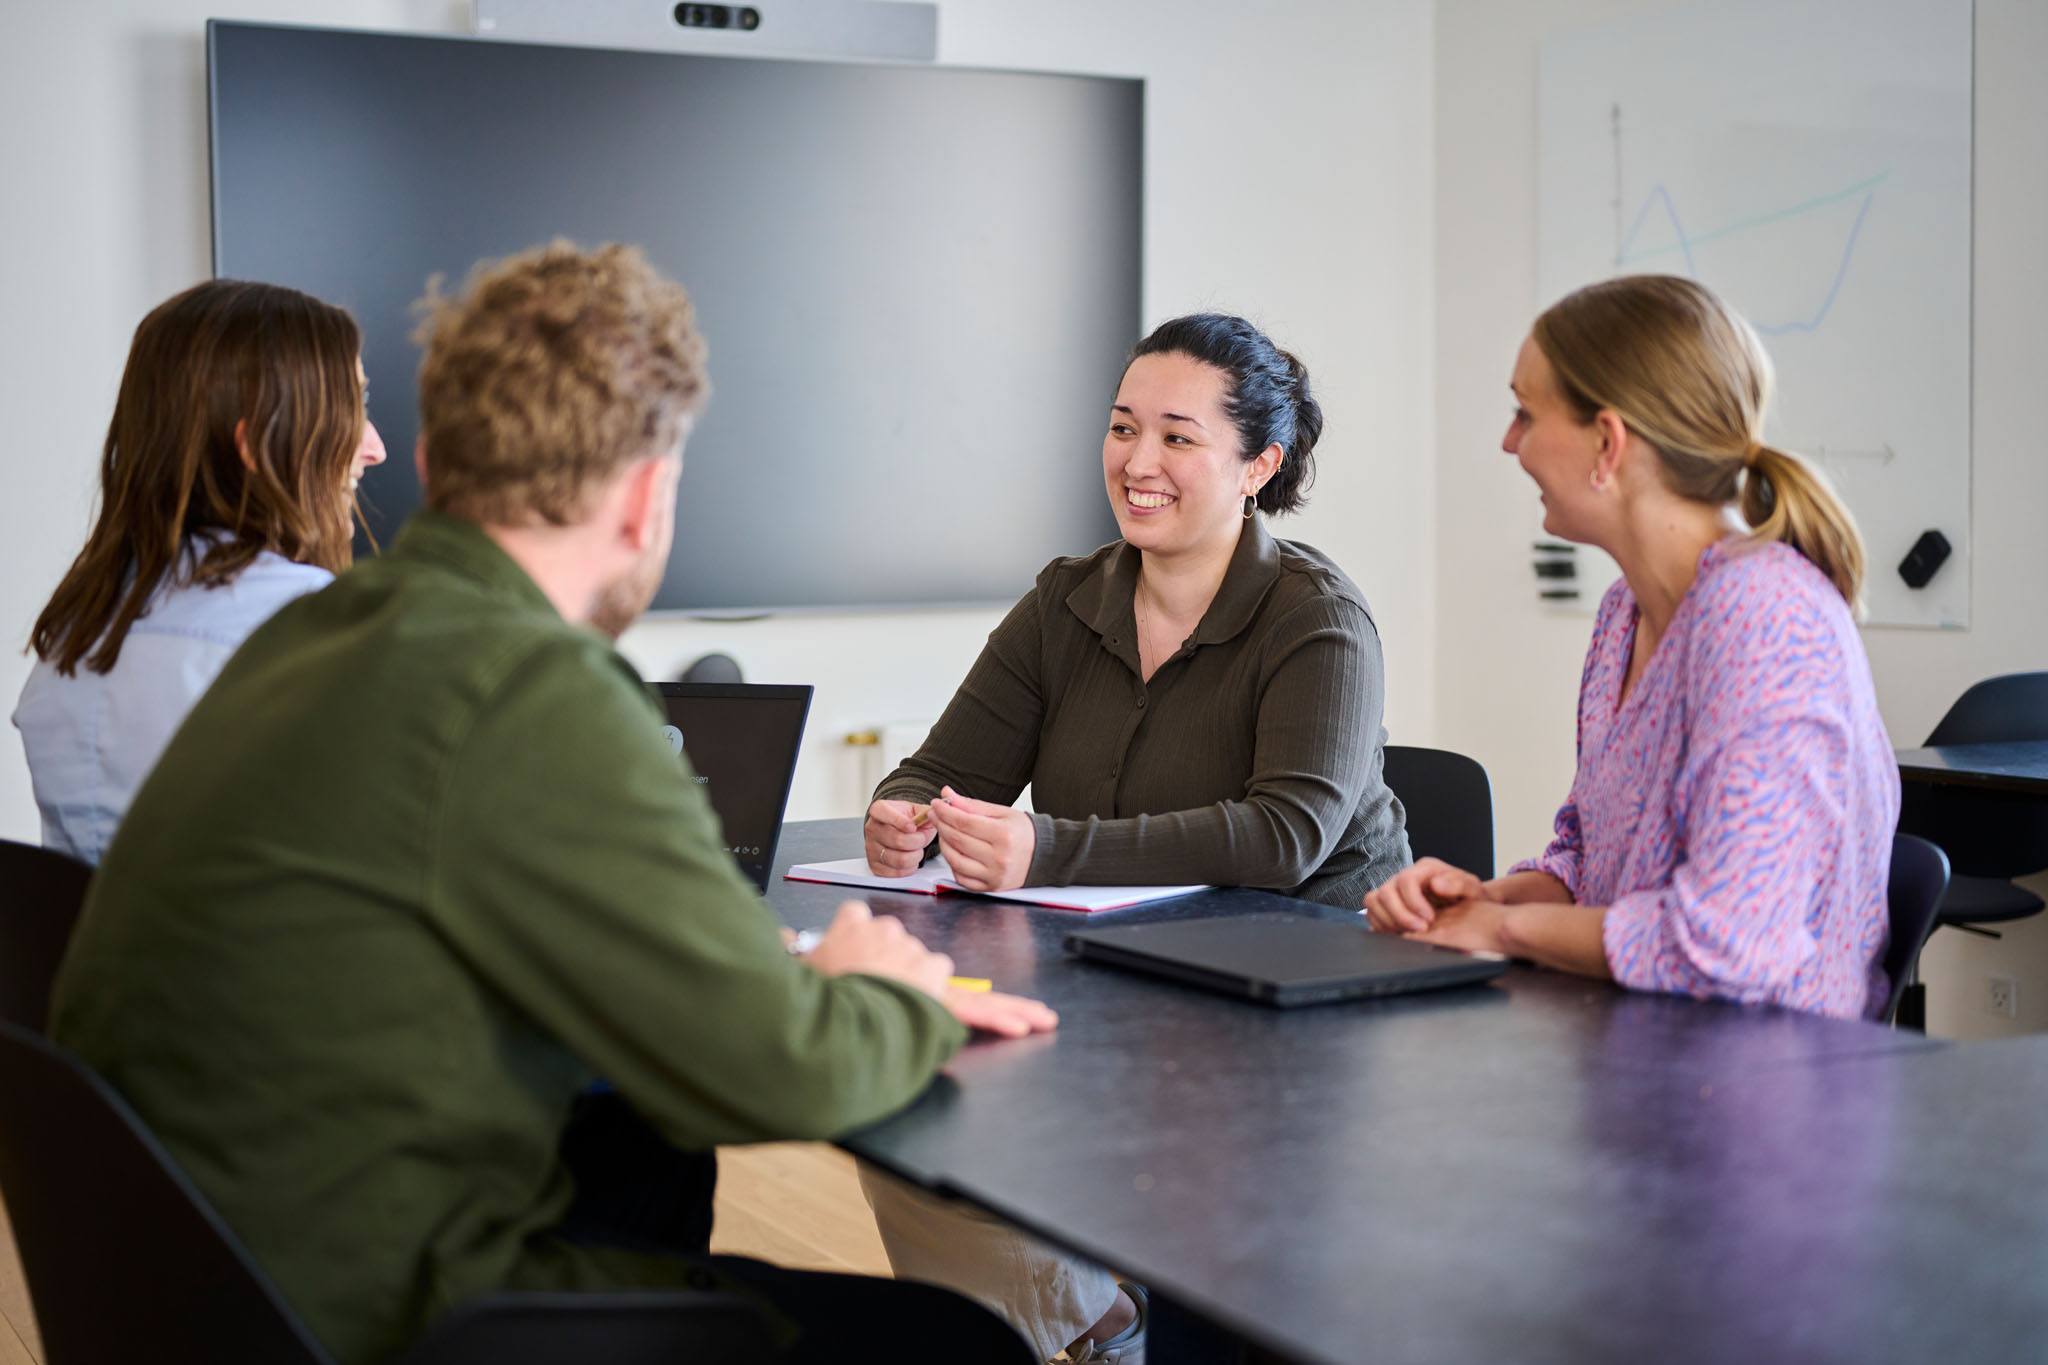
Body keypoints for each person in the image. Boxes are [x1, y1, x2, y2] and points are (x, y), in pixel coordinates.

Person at [50, 241, 1053, 1365]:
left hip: (198, 1285)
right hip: (371, 1318)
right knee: (954, 1347)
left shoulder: (316, 632)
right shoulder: (530, 686)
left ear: (432, 462)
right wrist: (889, 992)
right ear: (643, 494)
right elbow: (780, 1071)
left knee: (641, 1150)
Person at [859, 313, 1410, 1362]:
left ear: (1258, 465)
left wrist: (1045, 849)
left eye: (1176, 436)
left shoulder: (1317, 618)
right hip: (1115, 977)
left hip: (1296, 1000)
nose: (1136, 462)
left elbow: (1285, 835)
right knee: (899, 1103)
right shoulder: (1065, 599)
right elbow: (940, 771)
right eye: (1121, 429)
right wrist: (906, 816)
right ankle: (1098, 1322)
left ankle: (1094, 1323)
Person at [1362, 274, 1899, 1022]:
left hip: (1769, 1086)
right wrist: (1489, 896)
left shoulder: (1767, 618)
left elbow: (1735, 943)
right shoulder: (1625, 613)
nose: (1508, 441)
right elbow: (1589, 860)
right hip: (1635, 1048)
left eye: (1525, 412)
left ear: (1607, 444)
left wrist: (1505, 928)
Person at [13, 278, 387, 864]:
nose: (374, 447)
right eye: (351, 410)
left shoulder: (71, 637)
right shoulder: (311, 626)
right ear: (259, 447)